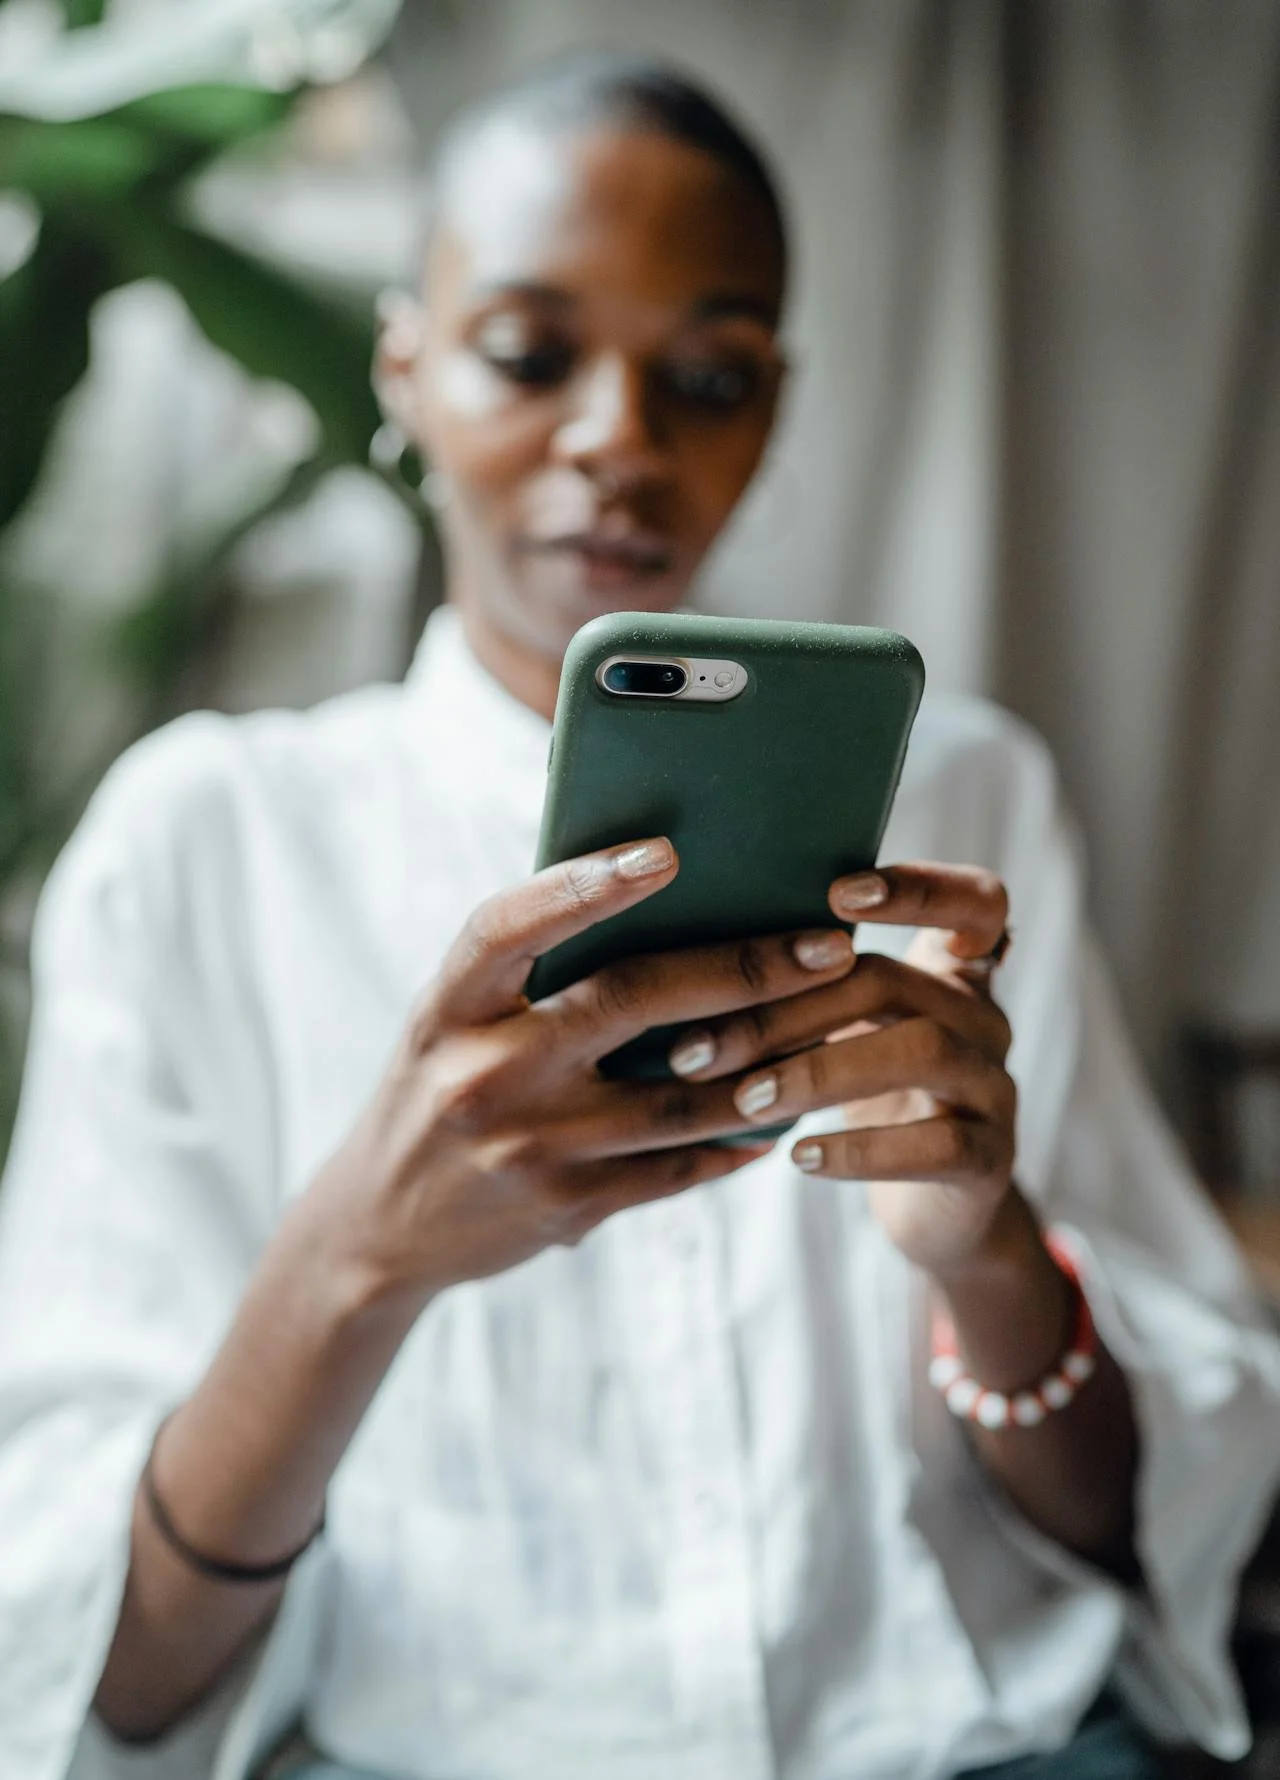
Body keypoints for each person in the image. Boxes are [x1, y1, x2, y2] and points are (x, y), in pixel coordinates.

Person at [0, 50, 1277, 1780]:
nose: (619, 437)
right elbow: (100, 1678)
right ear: (406, 369)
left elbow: (1150, 1529)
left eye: (707, 373)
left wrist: (992, 1259)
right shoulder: (205, 846)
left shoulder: (963, 801)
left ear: (773, 403)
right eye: (531, 353)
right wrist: (354, 1263)